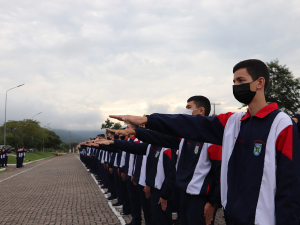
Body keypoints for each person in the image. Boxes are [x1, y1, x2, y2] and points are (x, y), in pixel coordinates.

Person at [109, 59, 300, 225]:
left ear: (260, 83)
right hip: (232, 215)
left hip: (262, 219)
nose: (235, 85)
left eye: (241, 80)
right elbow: (192, 125)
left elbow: (289, 188)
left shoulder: (281, 123)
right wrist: (148, 120)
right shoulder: (233, 122)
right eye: (233, 81)